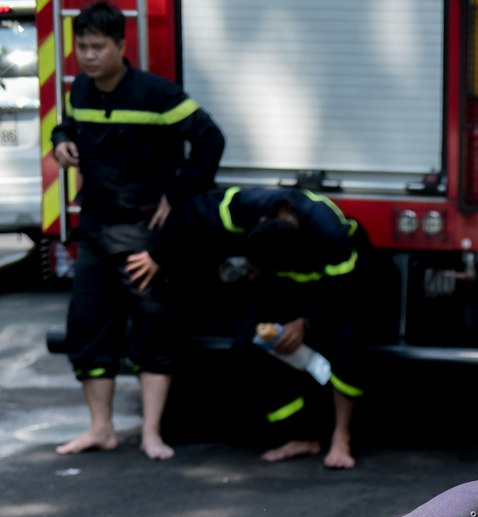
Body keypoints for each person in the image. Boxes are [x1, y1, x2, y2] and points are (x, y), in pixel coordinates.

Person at [51, 1, 224, 459]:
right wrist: (61, 141)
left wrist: (180, 194)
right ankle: (101, 429)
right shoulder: (81, 91)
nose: (87, 56)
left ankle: (151, 433)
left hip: (142, 233)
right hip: (94, 231)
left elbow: (210, 139)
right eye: (81, 47)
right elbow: (68, 125)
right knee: (86, 329)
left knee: (153, 331)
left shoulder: (156, 94)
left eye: (96, 47)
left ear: (121, 46)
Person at [127, 186, 368, 469]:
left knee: (347, 344)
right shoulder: (248, 206)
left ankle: (341, 439)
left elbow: (346, 293)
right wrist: (158, 254)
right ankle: (300, 434)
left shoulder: (329, 230)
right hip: (280, 285)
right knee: (247, 345)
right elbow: (191, 211)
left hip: (337, 287)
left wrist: (306, 322)